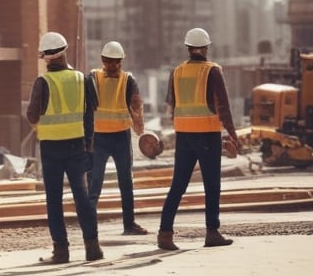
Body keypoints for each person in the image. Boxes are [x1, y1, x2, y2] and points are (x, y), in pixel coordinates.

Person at [157, 28, 241, 250]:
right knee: (212, 185)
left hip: (184, 136)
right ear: (206, 48)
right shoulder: (212, 71)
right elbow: (223, 106)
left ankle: (165, 234)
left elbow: (171, 105)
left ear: (187, 48)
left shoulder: (176, 72)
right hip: (207, 135)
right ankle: (212, 233)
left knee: (178, 185)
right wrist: (233, 134)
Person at [26, 32, 104, 264]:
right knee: (82, 197)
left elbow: (32, 114)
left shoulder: (43, 82)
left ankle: (61, 251)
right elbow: (90, 115)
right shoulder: (83, 79)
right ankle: (93, 248)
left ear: (46, 57)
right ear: (65, 51)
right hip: (77, 146)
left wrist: (43, 126)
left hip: (51, 149)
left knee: (54, 199)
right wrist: (89, 146)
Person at [87, 41, 149, 235]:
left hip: (118, 137)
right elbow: (86, 107)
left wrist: (141, 130)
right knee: (95, 182)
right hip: (101, 138)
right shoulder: (93, 78)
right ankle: (90, 225)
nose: (113, 65)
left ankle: (128, 224)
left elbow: (136, 106)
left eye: (116, 62)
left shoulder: (127, 80)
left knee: (125, 182)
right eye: (110, 62)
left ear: (120, 62)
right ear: (103, 61)